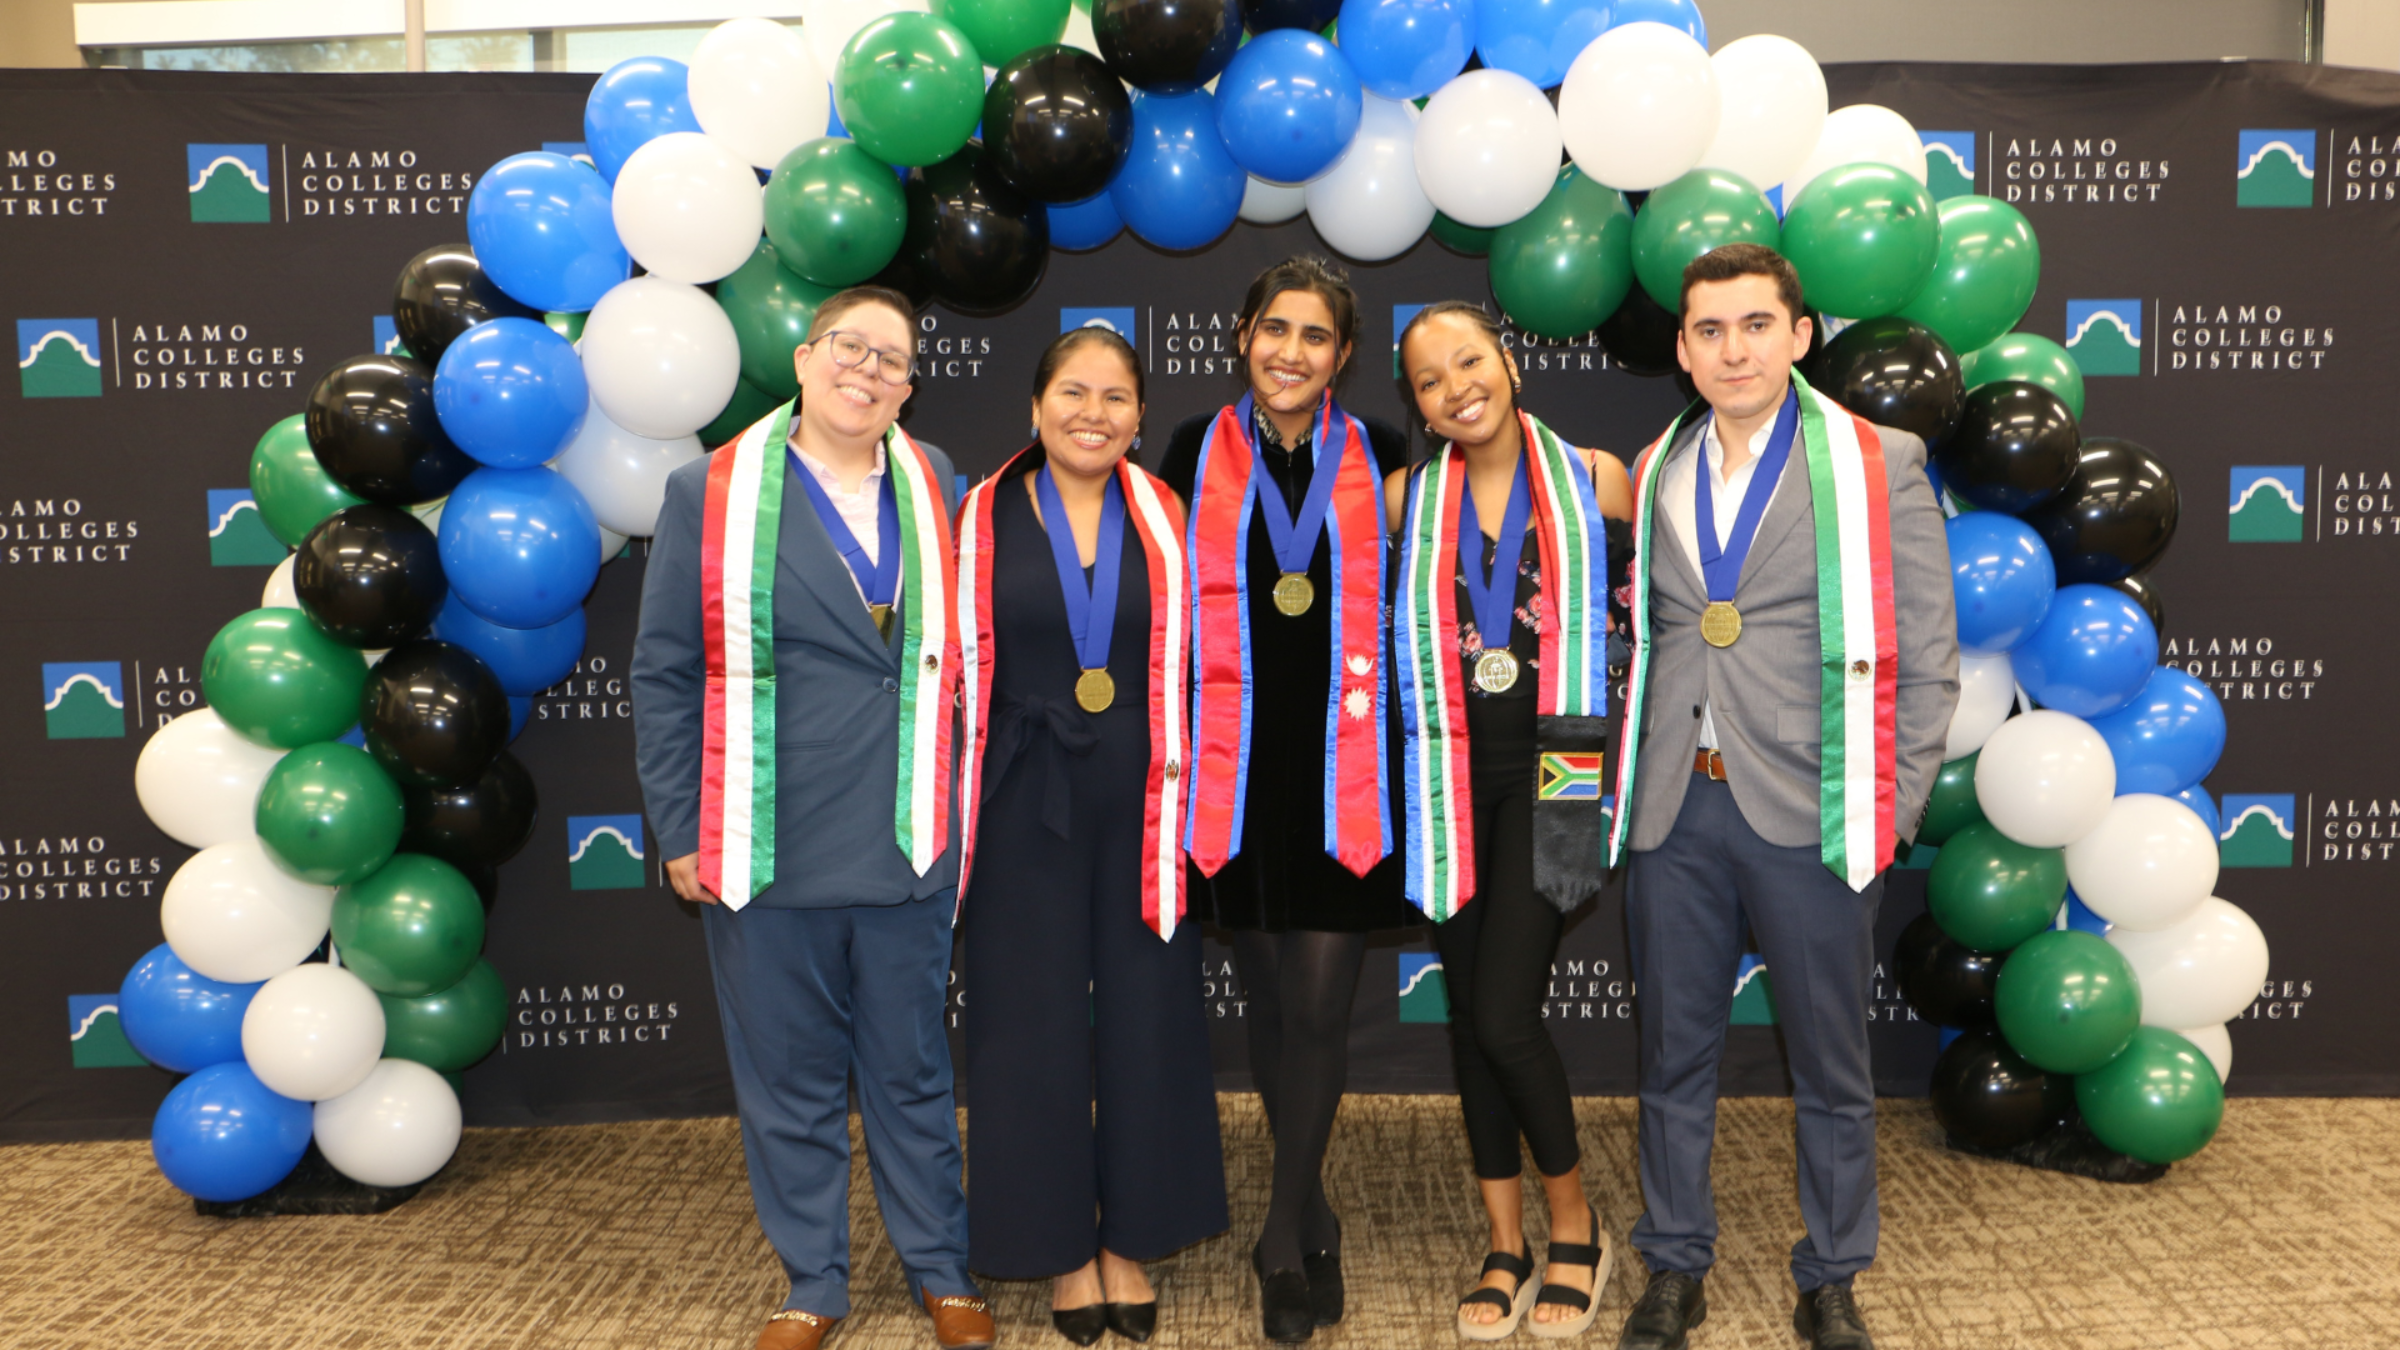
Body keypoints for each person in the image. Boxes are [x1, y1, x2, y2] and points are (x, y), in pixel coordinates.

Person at [1606, 244, 1958, 1350]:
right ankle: (1674, 1264)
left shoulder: (1877, 459)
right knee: (1672, 1057)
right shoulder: (1658, 462)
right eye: (1709, 329)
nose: (1733, 348)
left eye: (1756, 324)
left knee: (1831, 1064)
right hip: (1675, 807)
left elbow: (1927, 654)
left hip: (1816, 807)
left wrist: (1887, 810)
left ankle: (1833, 1272)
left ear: (1800, 335)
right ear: (1682, 349)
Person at [631, 286, 994, 1350]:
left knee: (914, 1072)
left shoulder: (935, 480)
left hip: (905, 837)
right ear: (803, 357)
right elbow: (664, 671)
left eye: (893, 360)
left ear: (910, 387)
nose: (869, 371)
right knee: (787, 1080)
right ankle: (812, 1284)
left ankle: (940, 1268)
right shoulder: (713, 489)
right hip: (766, 839)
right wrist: (683, 827)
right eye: (851, 347)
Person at [953, 327, 1230, 1346]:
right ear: (1035, 405)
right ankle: (1061, 1250)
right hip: (1022, 796)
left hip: (1145, 800)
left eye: (1118, 398)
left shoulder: (1166, 516)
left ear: (1141, 418)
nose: (1095, 413)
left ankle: (1133, 1239)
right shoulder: (976, 516)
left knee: (1150, 1017)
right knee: (1026, 1028)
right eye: (1074, 391)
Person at [1156, 255, 1414, 1344]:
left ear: (1342, 356)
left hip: (1346, 771)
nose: (1291, 352)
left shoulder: (1388, 461)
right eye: (1275, 330)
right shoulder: (1188, 452)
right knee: (1268, 1007)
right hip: (1235, 770)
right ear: (1243, 338)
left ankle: (1277, 1232)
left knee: (1318, 1008)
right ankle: (1310, 1207)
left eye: (1315, 336)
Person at [1391, 302, 1635, 1342]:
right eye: (1430, 378)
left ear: (1509, 363)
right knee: (1468, 1024)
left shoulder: (1598, 476)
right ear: (1417, 404)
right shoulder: (1405, 497)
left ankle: (1576, 1228)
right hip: (1446, 774)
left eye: (1470, 361)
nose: (1457, 386)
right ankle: (1506, 1243)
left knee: (1502, 1014)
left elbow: (1651, 635)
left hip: (1562, 774)